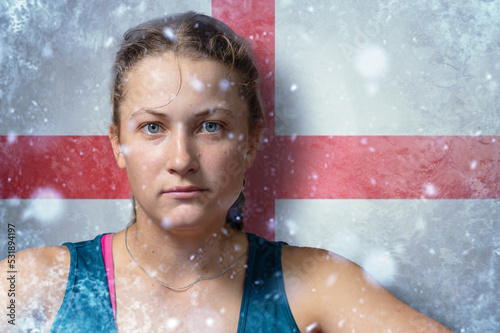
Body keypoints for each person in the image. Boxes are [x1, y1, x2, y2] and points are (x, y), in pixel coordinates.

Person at [0, 12, 453, 332]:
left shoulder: (313, 283)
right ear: (119, 143)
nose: (181, 158)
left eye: (210, 126)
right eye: (153, 127)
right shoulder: (33, 285)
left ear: (251, 142)